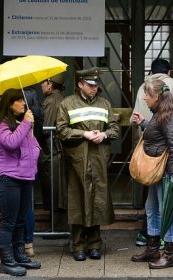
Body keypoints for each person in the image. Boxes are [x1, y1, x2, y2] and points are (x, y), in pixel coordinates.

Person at [56, 67, 119, 262]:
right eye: (91, 85)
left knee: (97, 201)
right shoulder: (67, 104)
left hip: (98, 159)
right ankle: (78, 245)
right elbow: (61, 130)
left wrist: (104, 134)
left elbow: (114, 128)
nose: (95, 88)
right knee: (78, 200)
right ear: (80, 85)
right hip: (78, 161)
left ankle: (94, 244)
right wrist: (82, 134)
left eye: (96, 84)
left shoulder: (104, 103)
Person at [130, 58, 173, 249]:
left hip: (165, 170)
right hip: (157, 168)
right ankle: (152, 248)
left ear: (157, 97)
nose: (144, 98)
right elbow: (158, 132)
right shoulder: (158, 115)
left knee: (166, 209)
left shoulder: (169, 116)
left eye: (147, 95)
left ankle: (170, 251)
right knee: (152, 207)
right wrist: (143, 124)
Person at [0, 88, 41, 276]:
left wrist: (30, 126)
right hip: (9, 177)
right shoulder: (1, 124)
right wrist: (26, 124)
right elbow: (11, 143)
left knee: (20, 220)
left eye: (23, 100)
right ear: (9, 104)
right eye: (19, 101)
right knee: (9, 222)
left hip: (25, 177)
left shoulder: (22, 122)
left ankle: (20, 255)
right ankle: (6, 260)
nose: (23, 103)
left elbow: (32, 145)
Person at [38, 73, 68, 238]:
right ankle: (57, 225)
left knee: (55, 188)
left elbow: (46, 127)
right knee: (57, 188)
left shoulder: (51, 101)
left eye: (44, 82)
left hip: (51, 151)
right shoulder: (61, 98)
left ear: (50, 84)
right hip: (57, 150)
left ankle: (58, 226)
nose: (41, 85)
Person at [22, 86, 44, 257]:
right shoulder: (38, 113)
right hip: (31, 163)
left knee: (22, 206)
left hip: (21, 164)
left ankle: (24, 243)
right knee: (27, 204)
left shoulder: (25, 118)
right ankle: (28, 243)